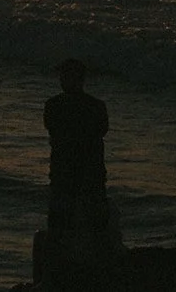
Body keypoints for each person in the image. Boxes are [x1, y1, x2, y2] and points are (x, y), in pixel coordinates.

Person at [44, 58, 109, 236]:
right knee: (93, 228)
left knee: (60, 228)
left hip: (63, 175)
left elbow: (52, 129)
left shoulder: (53, 106)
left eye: (64, 76)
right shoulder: (97, 106)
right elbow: (102, 130)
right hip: (91, 175)